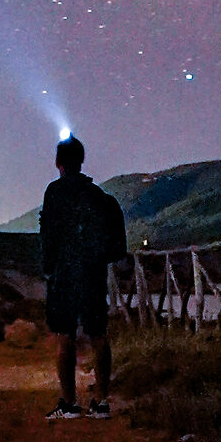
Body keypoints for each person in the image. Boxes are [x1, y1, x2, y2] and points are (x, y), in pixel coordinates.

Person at [37, 133, 126, 420]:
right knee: (98, 335)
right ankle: (101, 401)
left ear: (58, 163)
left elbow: (48, 235)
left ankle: (69, 403)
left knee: (65, 337)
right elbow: (116, 246)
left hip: (64, 274)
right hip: (93, 273)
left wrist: (49, 266)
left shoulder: (54, 193)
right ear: (82, 160)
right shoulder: (100, 198)